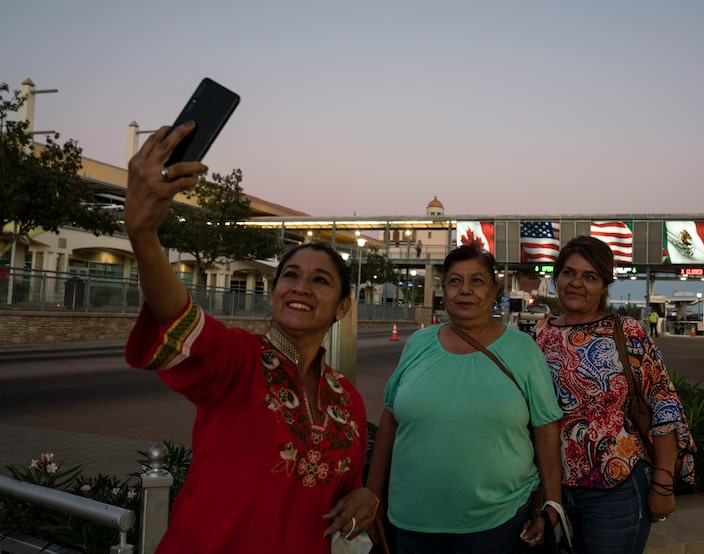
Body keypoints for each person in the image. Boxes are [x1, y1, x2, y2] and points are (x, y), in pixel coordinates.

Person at [123, 122, 378, 553]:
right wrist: (144, 235)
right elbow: (178, 315)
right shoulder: (240, 361)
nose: (299, 287)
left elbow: (345, 490)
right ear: (275, 290)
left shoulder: (348, 401)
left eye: (320, 280)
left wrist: (365, 496)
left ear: (343, 308)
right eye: (290, 275)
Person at [364, 244, 564, 553]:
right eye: (455, 281)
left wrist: (552, 506)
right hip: (411, 523)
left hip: (498, 525)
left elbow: (546, 432)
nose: (465, 290)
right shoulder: (418, 344)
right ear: (444, 289)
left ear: (493, 289)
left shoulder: (523, 350)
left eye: (477, 281)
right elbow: (389, 420)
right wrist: (372, 495)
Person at [533, 235, 695, 554]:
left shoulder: (626, 332)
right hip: (550, 490)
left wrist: (663, 483)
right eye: (568, 273)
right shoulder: (540, 335)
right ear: (556, 279)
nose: (576, 283)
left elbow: (665, 405)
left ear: (604, 285)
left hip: (615, 489)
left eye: (589, 276)